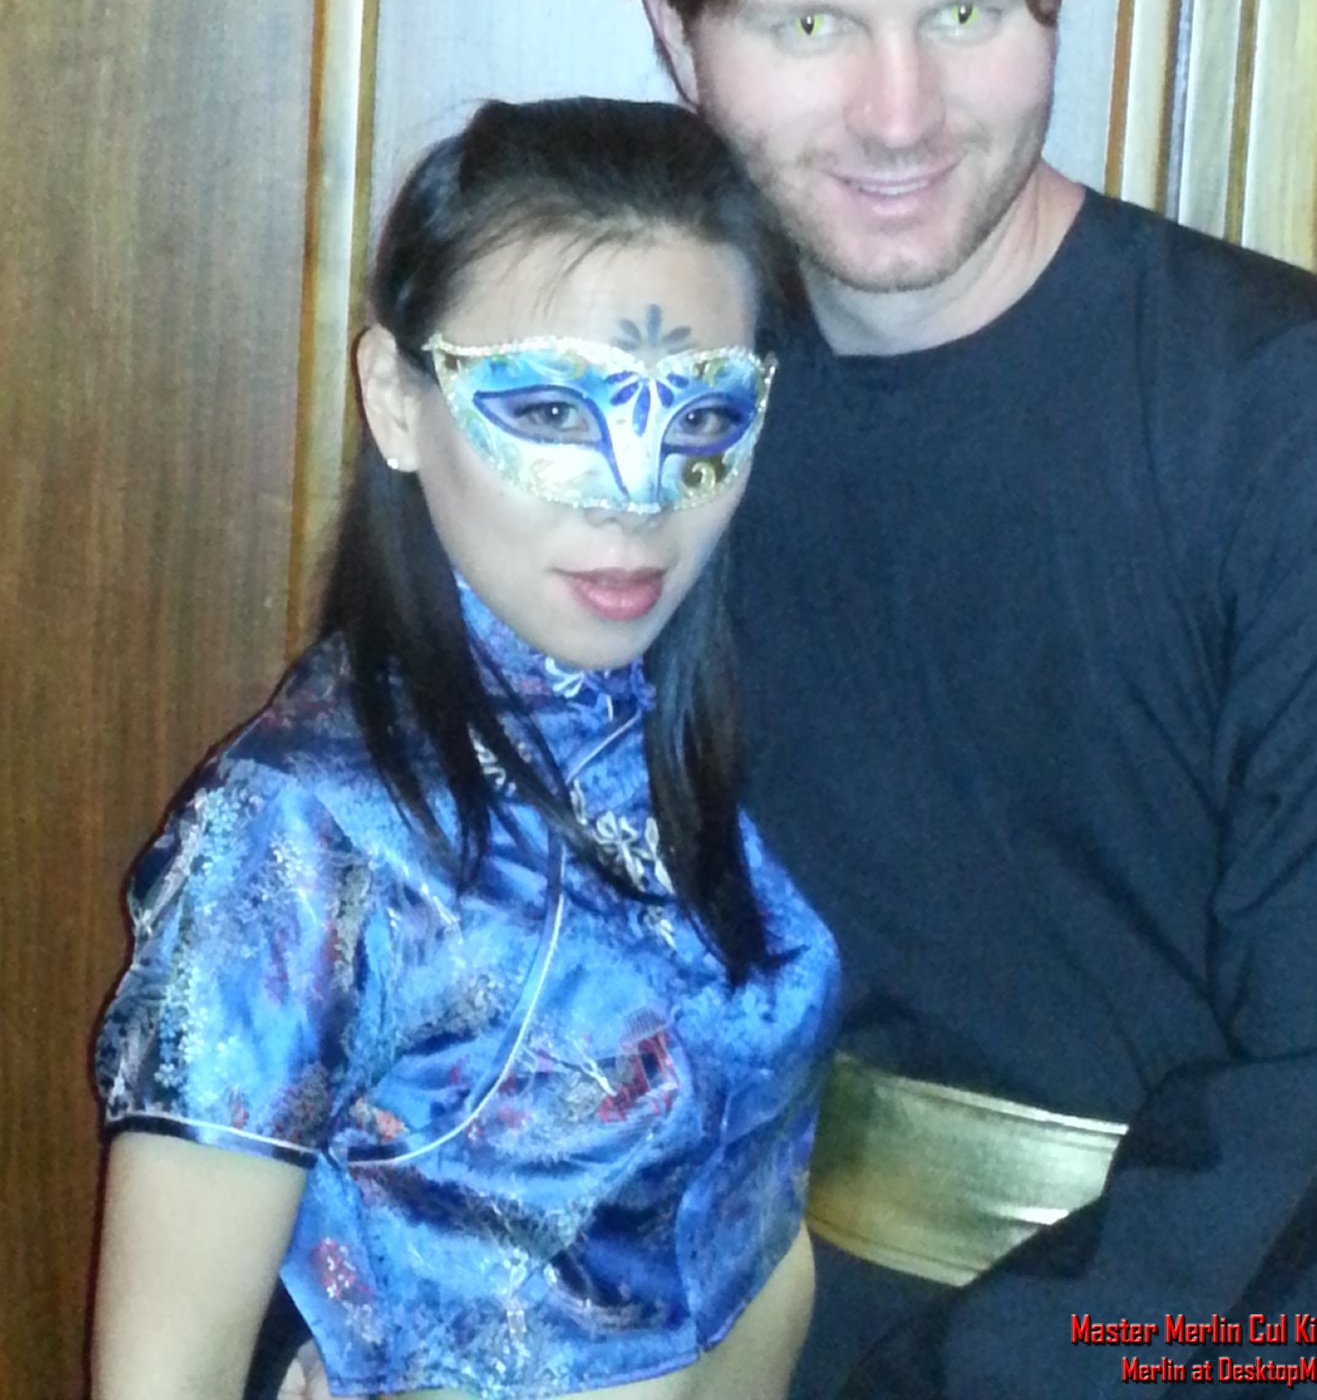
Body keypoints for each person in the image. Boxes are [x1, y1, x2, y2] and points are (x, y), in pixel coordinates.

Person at [610, 0, 1317, 1398]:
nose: (899, 113)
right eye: (810, 23)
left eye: (965, 14)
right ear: (676, 40)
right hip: (739, 1323)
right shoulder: (659, 419)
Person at [91, 96, 841, 1400]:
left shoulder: (679, 745)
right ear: (398, 399)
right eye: (549, 411)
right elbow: (165, 1374)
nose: (637, 497)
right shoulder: (299, 834)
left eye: (699, 419)